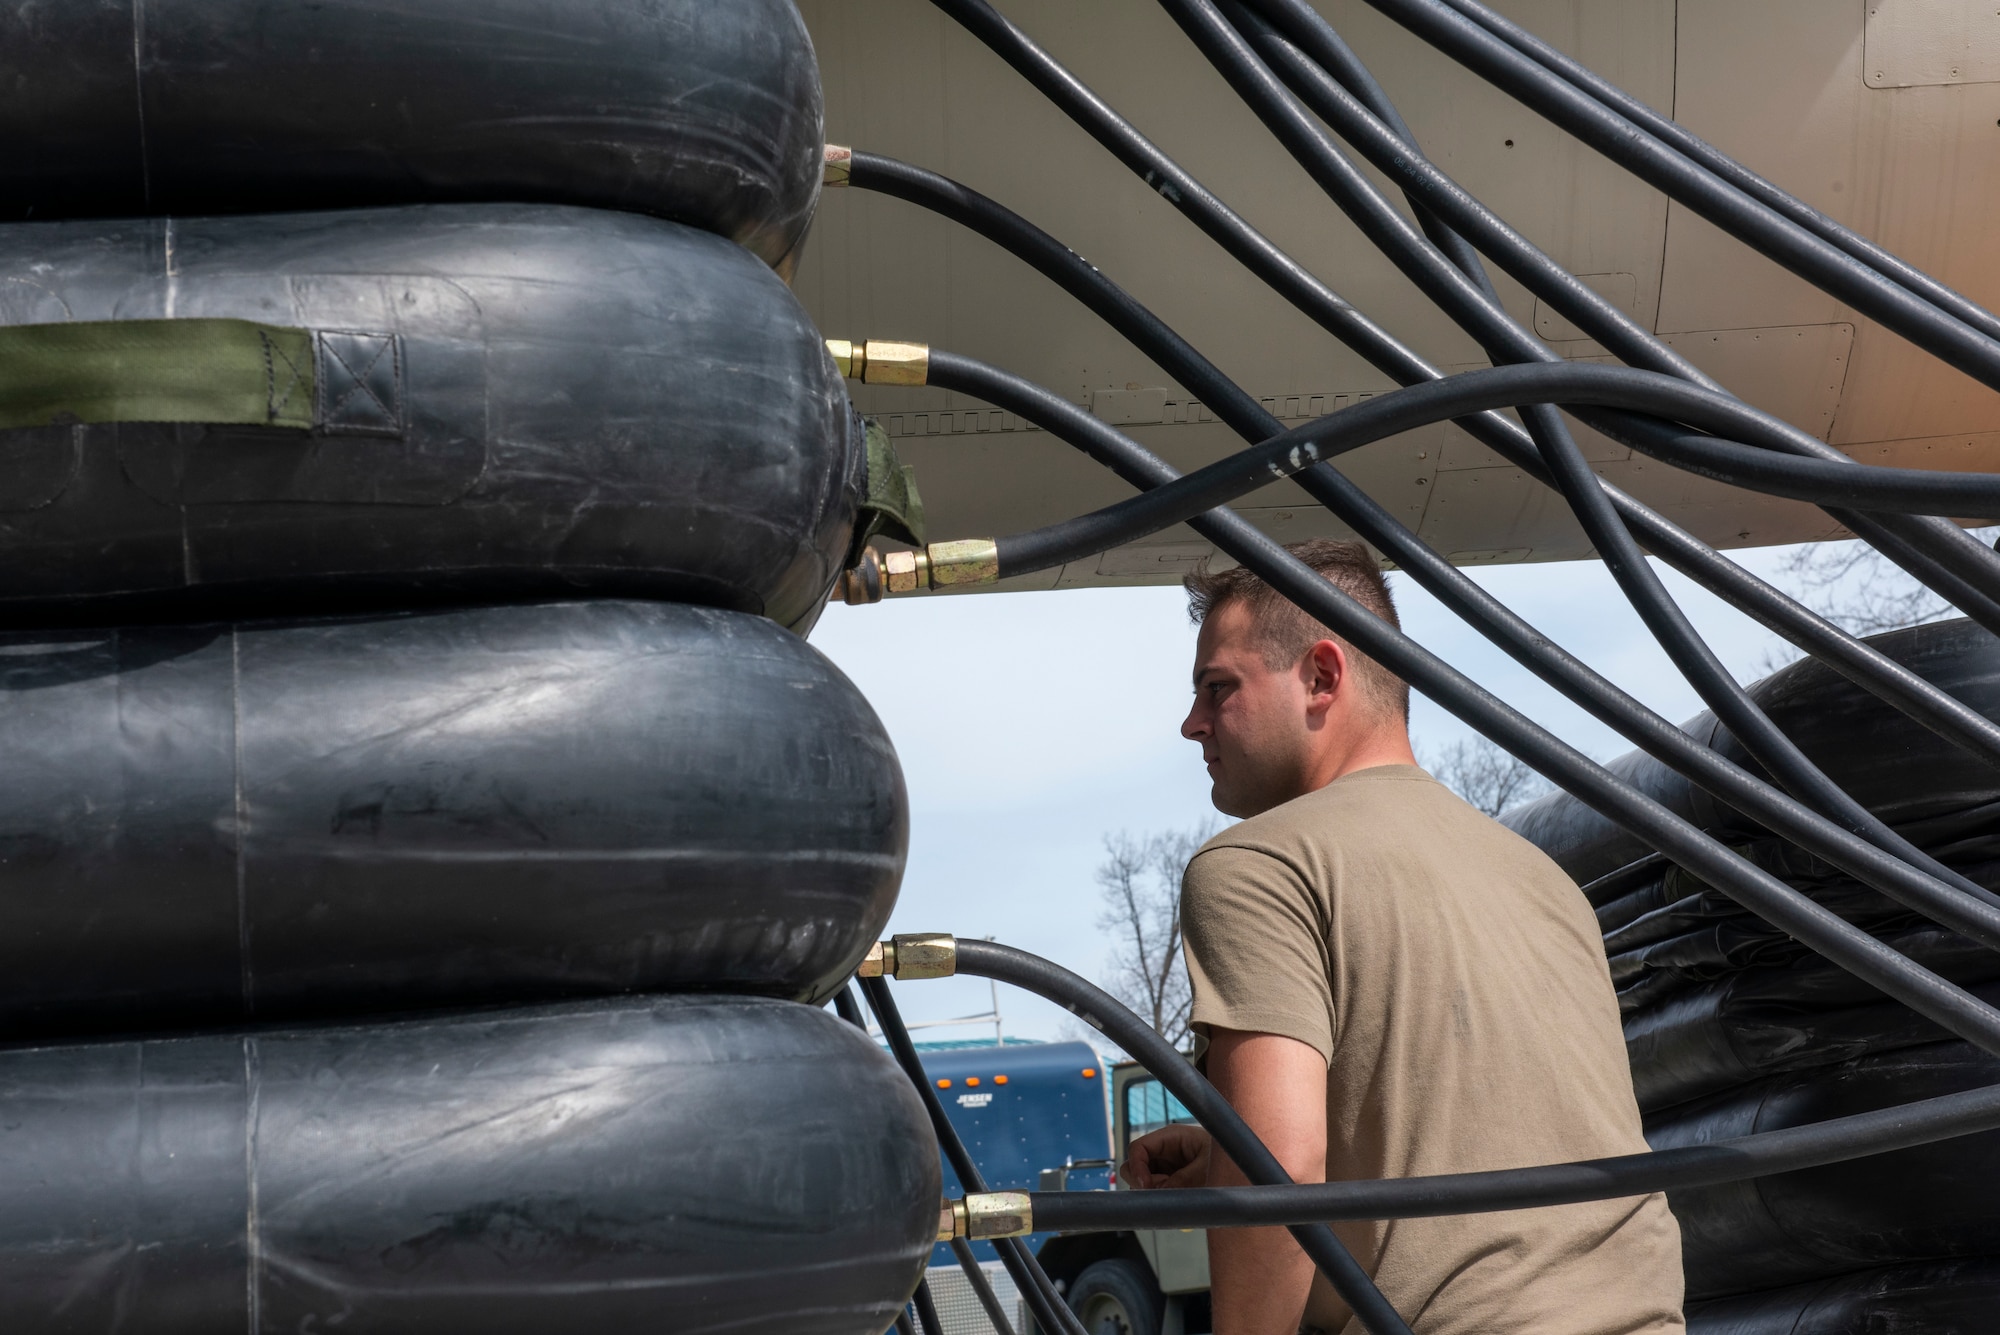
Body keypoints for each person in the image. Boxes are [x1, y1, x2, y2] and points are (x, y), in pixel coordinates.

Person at [1121, 539, 1683, 1335]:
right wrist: (1218, 1160)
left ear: (1321, 676)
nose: (1192, 723)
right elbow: (1475, 1132)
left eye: (1218, 689)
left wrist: (1242, 1173)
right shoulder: (1546, 883)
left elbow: (1280, 1169)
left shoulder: (1257, 866)